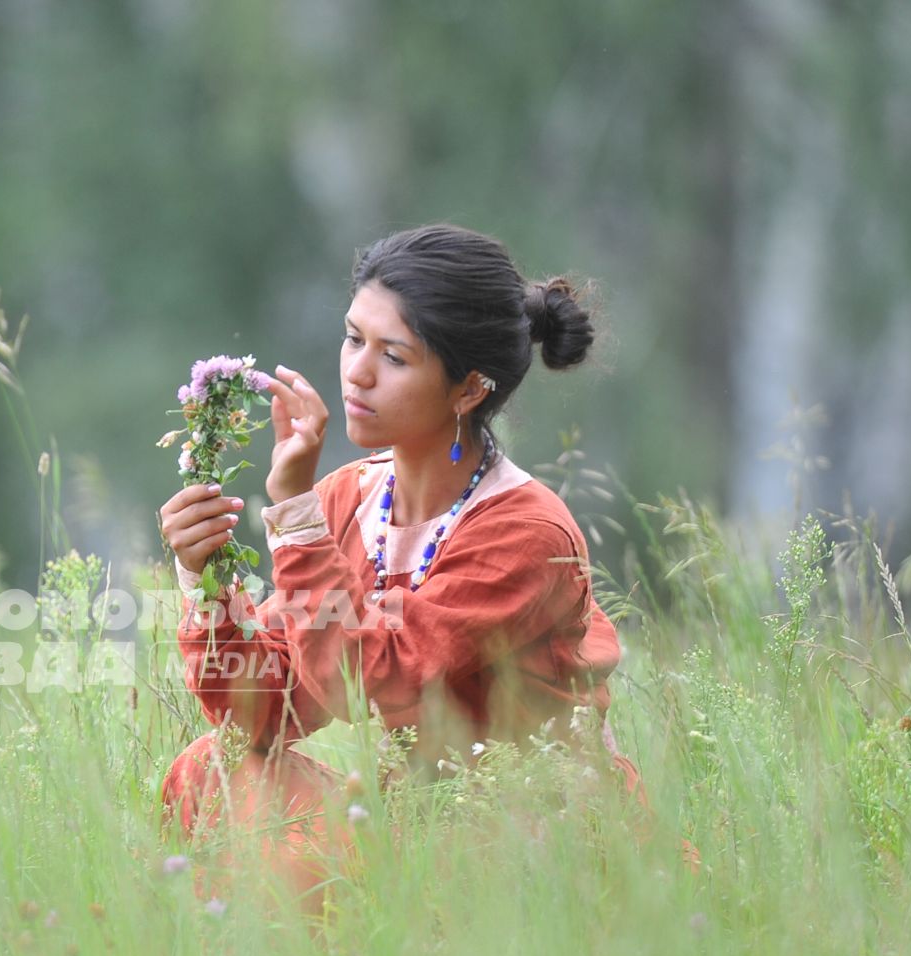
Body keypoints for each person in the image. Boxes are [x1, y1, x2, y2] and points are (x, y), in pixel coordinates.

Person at [157, 223, 640, 903]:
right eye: (355, 339)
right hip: (420, 827)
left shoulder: (528, 533)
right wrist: (204, 577)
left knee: (314, 874)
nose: (357, 371)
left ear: (469, 388)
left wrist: (294, 512)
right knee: (211, 769)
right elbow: (260, 713)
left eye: (395, 356)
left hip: (530, 837)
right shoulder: (353, 498)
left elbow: (371, 679)